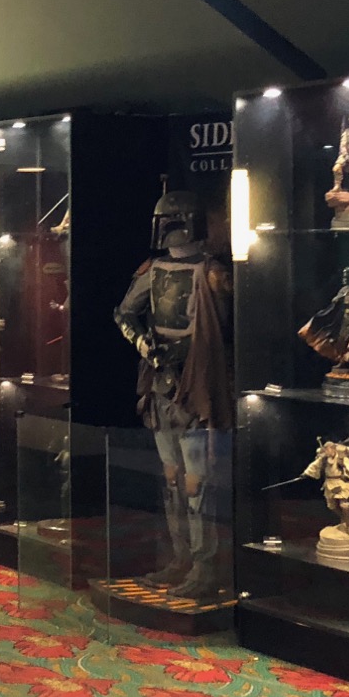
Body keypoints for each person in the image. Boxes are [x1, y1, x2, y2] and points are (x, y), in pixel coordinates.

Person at [114, 186, 233, 601]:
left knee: (198, 482)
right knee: (171, 478)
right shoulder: (154, 270)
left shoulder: (213, 272)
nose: (170, 230)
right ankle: (181, 558)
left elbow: (228, 332)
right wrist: (145, 346)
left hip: (197, 386)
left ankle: (204, 566)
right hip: (161, 383)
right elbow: (125, 313)